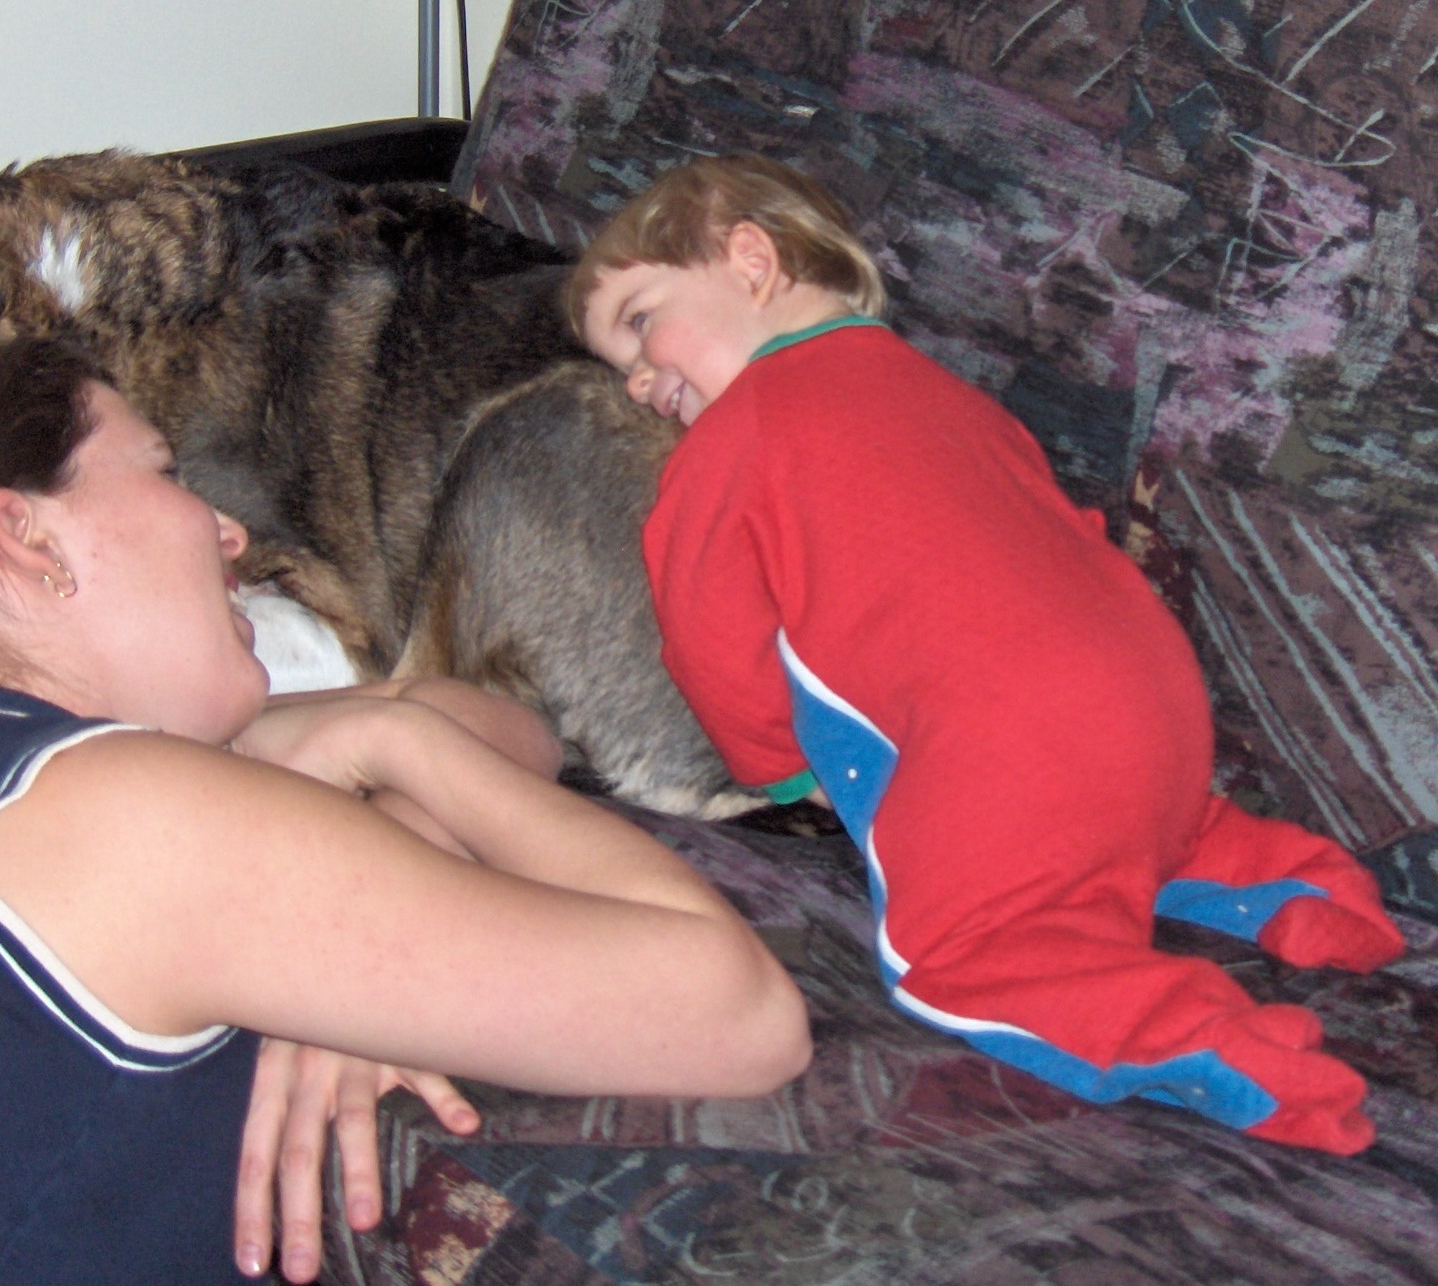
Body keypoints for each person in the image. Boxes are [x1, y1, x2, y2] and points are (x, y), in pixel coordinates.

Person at [0, 339, 811, 1286]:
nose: (231, 531)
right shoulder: (112, 816)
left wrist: (375, 864)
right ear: (28, 537)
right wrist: (391, 747)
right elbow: (740, 1014)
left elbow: (507, 732)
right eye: (165, 471)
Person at [567, 153, 1406, 1155]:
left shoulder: (727, 442)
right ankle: (1298, 881)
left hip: (1004, 737)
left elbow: (708, 630)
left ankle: (1202, 1040)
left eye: (639, 322)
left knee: (956, 955)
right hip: (1152, 696)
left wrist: (780, 771)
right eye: (618, 363)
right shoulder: (944, 392)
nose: (636, 380)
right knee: (1134, 824)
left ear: (750, 259)